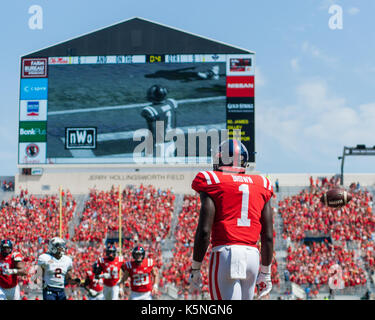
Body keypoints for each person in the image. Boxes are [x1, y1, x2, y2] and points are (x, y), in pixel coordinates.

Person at [189, 139, 274, 300]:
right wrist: (266, 271)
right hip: (252, 256)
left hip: (225, 254)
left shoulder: (212, 180)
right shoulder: (262, 183)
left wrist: (195, 267)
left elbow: (204, 231)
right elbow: (268, 236)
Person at [141, 85, 178, 158]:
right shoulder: (172, 103)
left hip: (159, 145)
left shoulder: (150, 110)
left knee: (153, 168)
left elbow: (153, 131)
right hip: (171, 143)